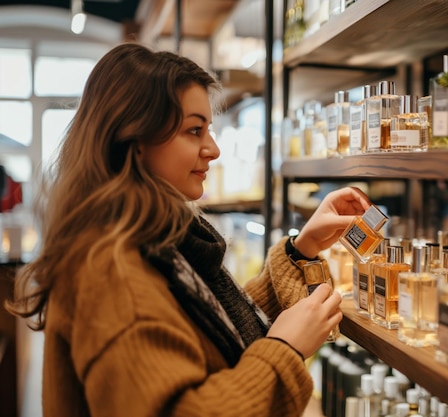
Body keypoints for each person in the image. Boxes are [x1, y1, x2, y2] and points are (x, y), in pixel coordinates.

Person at [5, 43, 371, 417]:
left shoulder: (148, 239)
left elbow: (211, 334)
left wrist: (301, 249)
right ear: (135, 140)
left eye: (208, 130)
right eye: (194, 130)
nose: (213, 149)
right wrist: (285, 349)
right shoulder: (112, 271)